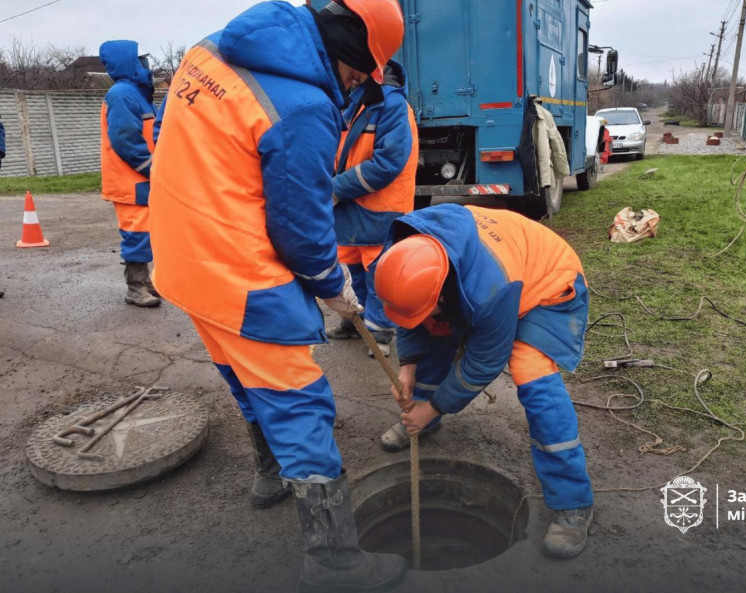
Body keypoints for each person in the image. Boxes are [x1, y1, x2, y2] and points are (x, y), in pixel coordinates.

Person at [148, 2, 407, 591]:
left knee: (241, 375)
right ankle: (335, 562)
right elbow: (300, 226)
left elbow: (182, 145)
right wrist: (332, 284)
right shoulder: (303, 107)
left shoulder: (211, 49)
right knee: (298, 403)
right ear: (349, 52)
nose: (351, 89)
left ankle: (270, 476)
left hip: (183, 257)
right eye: (355, 77)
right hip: (239, 275)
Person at [373, 203, 595, 559]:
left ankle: (573, 504)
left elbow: (483, 362)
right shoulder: (402, 255)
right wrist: (407, 366)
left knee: (534, 378)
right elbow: (408, 312)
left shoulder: (489, 293)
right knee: (433, 330)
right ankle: (423, 422)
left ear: (442, 291)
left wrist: (431, 408)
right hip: (489, 272)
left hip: (545, 284)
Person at [326, 59, 418, 357]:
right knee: (353, 265)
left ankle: (379, 331)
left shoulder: (391, 105)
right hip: (353, 203)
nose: (347, 77)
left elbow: (387, 163)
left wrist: (336, 188)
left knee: (380, 273)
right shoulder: (354, 101)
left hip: (381, 207)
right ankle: (357, 320)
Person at [98, 40, 161, 307]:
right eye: (139, 59)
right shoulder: (123, 93)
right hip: (131, 180)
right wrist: (151, 166)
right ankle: (135, 288)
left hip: (141, 178)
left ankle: (146, 282)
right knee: (137, 232)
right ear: (128, 62)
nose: (145, 64)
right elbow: (125, 138)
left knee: (150, 231)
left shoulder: (135, 92)